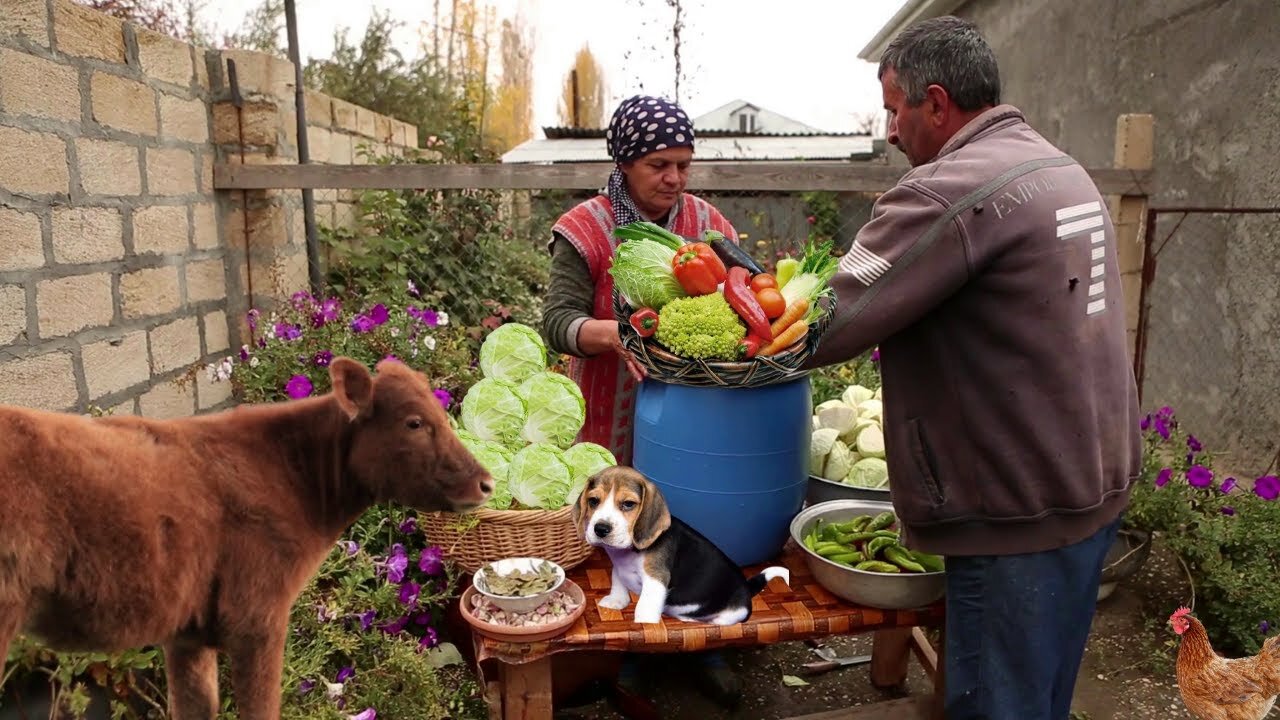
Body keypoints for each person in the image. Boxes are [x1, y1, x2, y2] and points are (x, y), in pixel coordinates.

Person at [800, 16, 1142, 720]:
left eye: (894, 110)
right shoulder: (1057, 166)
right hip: (1089, 484)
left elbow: (829, 323)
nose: (890, 130)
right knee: (1040, 693)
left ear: (935, 102)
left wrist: (738, 340)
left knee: (996, 704)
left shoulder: (945, 191)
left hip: (1015, 509)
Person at [539, 95, 744, 711]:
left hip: (694, 417)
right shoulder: (585, 229)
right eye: (660, 164)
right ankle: (628, 656)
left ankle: (705, 643)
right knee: (622, 537)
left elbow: (743, 297)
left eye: (684, 163)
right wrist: (613, 334)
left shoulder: (708, 225)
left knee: (689, 529)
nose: (675, 178)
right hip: (610, 414)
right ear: (624, 162)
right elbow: (556, 322)